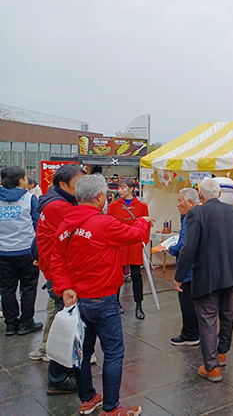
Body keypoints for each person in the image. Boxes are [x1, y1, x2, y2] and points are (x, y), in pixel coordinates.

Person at [51, 174, 152, 416]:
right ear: (99, 196)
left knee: (83, 352)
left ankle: (87, 399)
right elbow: (134, 235)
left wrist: (65, 286)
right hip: (103, 298)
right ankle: (111, 408)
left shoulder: (65, 226)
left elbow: (57, 260)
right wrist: (143, 221)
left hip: (77, 300)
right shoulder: (103, 223)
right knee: (113, 352)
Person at [174, 178, 233, 383]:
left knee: (207, 319)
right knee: (227, 314)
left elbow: (189, 247)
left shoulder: (197, 213)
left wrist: (179, 275)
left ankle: (212, 367)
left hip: (206, 274)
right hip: (231, 273)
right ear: (220, 194)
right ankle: (221, 353)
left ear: (200, 195)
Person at [31, 164, 86, 395]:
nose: (83, 188)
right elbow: (78, 237)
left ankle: (66, 368)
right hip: (60, 273)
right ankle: (58, 377)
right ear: (63, 184)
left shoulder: (57, 202)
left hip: (55, 270)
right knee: (66, 325)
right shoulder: (60, 207)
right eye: (78, 184)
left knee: (64, 319)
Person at [0, 166, 42, 336]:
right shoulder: (29, 199)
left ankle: (11, 324)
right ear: (20, 181)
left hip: (3, 252)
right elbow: (38, 226)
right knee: (28, 288)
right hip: (26, 251)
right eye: (25, 178)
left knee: (7, 289)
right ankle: (26, 322)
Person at [107, 179, 150, 320]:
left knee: (137, 275)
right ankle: (115, 302)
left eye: (123, 188)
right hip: (119, 245)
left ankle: (139, 305)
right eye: (119, 188)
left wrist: (143, 242)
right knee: (117, 275)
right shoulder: (113, 206)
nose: (120, 190)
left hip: (135, 245)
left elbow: (147, 226)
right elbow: (108, 225)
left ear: (132, 189)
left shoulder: (142, 206)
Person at [169, 188, 200, 346]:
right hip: (199, 268)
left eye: (180, 200)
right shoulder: (200, 215)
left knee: (187, 302)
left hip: (189, 268)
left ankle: (190, 334)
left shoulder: (190, 218)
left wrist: (171, 249)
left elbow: (184, 244)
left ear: (190, 202)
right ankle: (197, 332)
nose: (177, 204)